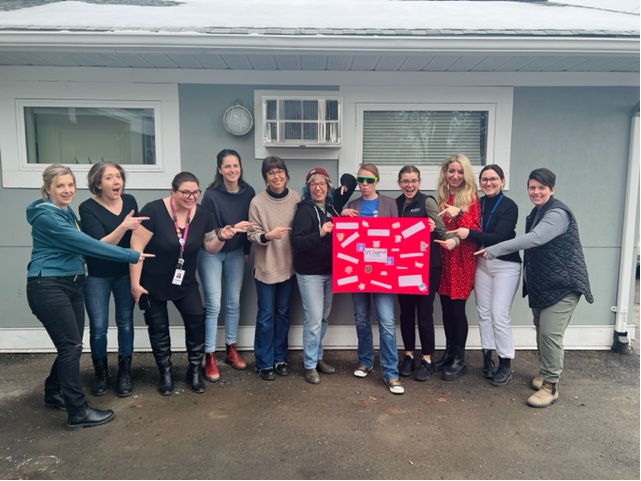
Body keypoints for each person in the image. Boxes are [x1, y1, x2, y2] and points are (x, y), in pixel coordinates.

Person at [26, 164, 151, 431]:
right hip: (48, 284)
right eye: (60, 185)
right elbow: (88, 244)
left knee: (71, 345)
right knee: (71, 347)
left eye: (70, 184)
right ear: (47, 189)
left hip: (70, 283)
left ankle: (53, 392)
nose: (67, 190)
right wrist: (130, 255)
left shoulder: (65, 211)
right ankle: (77, 411)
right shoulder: (47, 216)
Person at [476, 168, 593, 407]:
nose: (536, 192)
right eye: (532, 187)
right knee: (541, 329)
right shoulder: (536, 212)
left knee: (550, 333)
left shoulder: (557, 214)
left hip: (564, 284)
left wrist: (495, 249)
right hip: (546, 284)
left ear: (552, 189)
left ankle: (550, 387)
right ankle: (545, 373)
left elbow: (535, 238)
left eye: (541, 188)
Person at [129, 172, 249, 395]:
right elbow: (136, 248)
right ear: (172, 191)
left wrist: (223, 236)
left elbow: (210, 247)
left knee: (196, 322)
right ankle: (165, 373)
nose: (191, 197)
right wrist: (135, 284)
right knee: (158, 329)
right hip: (152, 282)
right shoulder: (153, 210)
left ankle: (194, 370)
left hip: (185, 281)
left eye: (195, 192)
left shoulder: (203, 214)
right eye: (185, 192)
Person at [447, 164, 521, 386]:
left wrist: (470, 232)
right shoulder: (476, 203)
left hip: (505, 265)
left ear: (502, 181)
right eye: (485, 180)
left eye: (493, 179)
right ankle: (487, 359)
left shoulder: (509, 206)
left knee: (499, 314)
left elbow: (500, 236)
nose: (489, 183)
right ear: (480, 183)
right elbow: (465, 223)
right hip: (481, 263)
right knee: (484, 313)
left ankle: (505, 363)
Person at [79, 161, 148, 398]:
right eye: (109, 177)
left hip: (123, 272)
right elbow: (98, 245)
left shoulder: (129, 202)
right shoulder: (87, 207)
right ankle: (101, 374)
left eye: (118, 176)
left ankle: (124, 374)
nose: (116, 181)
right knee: (98, 328)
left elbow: (135, 238)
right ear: (98, 183)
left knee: (125, 323)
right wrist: (124, 226)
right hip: (97, 275)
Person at [341, 163, 404, 395]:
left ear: (377, 180)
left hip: (384, 272)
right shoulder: (353, 205)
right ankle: (365, 361)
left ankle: (391, 373)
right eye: (361, 180)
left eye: (369, 180)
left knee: (386, 321)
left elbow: (397, 237)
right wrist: (344, 216)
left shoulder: (389, 203)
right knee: (360, 317)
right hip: (357, 271)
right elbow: (344, 240)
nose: (364, 184)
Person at [291, 167, 356, 384]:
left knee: (323, 318)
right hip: (310, 273)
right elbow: (297, 242)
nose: (318, 187)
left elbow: (351, 181)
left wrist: (343, 211)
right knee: (314, 320)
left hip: (331, 272)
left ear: (328, 187)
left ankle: (317, 357)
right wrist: (319, 233)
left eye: (322, 183)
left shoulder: (332, 206)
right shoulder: (304, 210)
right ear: (307, 188)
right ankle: (309, 365)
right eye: (313, 184)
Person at [394, 165, 458, 382]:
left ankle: (428, 359)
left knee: (423, 313)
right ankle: (409, 356)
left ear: (419, 182)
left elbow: (443, 231)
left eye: (413, 181)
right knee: (405, 313)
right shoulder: (396, 204)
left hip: (428, 266)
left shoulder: (427, 202)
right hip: (402, 267)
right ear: (399, 183)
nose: (409, 185)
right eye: (405, 181)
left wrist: (446, 236)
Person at [197, 149, 256, 382]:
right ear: (219, 169)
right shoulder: (211, 195)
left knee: (233, 302)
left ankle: (231, 349)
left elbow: (250, 226)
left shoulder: (249, 192)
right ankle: (209, 355)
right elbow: (207, 230)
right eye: (227, 166)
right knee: (213, 304)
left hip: (235, 253)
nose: (232, 170)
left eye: (236, 165)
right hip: (211, 252)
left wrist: (246, 250)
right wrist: (226, 231)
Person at [247, 156, 300, 381]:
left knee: (282, 314)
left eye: (279, 171)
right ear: (265, 177)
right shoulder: (257, 202)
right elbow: (252, 234)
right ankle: (264, 362)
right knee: (266, 316)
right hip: (266, 268)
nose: (276, 176)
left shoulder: (296, 198)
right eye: (271, 173)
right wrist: (268, 235)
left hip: (289, 267)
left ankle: (280, 358)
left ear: (286, 174)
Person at [432, 153, 481, 381]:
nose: (455, 175)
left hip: (462, 258)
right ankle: (449, 353)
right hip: (444, 256)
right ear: (445, 173)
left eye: (460, 171)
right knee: (446, 307)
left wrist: (460, 212)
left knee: (457, 309)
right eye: (451, 171)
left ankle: (460, 359)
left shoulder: (471, 197)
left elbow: (475, 229)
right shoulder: (441, 196)